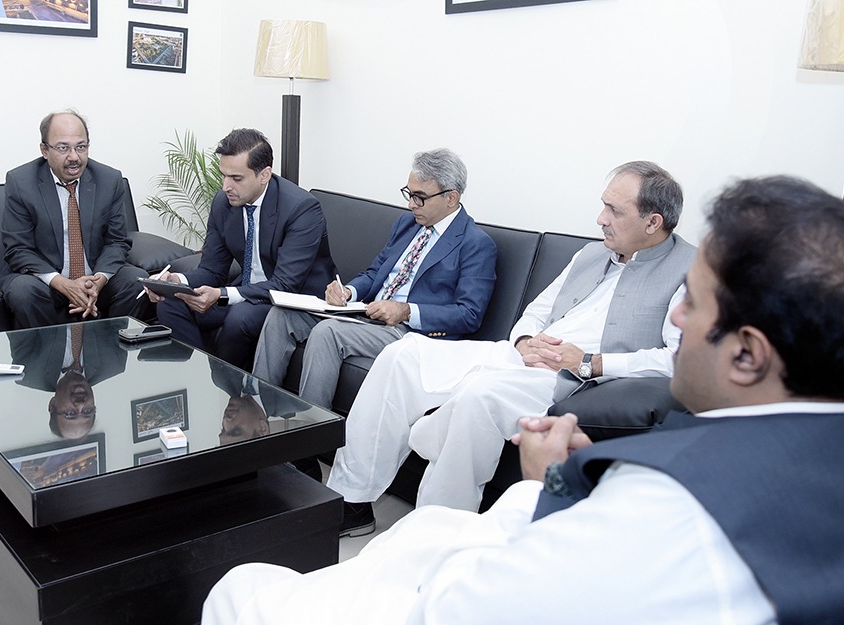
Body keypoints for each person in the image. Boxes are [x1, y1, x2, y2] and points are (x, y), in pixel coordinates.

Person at [196, 175, 844, 625]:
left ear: (746, 354)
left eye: (694, 306)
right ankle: (367, 497)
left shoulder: (672, 511)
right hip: (529, 425)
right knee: (413, 539)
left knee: (242, 591)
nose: (678, 320)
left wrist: (540, 494)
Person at [328, 161, 694, 534]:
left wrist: (590, 362)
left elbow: (679, 360)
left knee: (479, 396)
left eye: (614, 211)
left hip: (568, 380)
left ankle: (436, 532)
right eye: (603, 205)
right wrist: (523, 341)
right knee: (402, 355)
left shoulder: (689, 272)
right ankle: (352, 499)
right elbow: (536, 310)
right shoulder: (590, 254)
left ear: (653, 222)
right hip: (521, 355)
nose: (601, 219)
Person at [251, 148, 497, 413]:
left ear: (451, 197)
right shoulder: (407, 224)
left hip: (410, 334)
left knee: (328, 333)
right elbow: (375, 272)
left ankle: (312, 432)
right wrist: (348, 292)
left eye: (420, 198)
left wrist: (406, 311)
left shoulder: (475, 244)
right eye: (409, 194)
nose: (411, 204)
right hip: (365, 314)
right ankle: (257, 414)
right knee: (281, 316)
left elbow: (469, 314)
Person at [146, 128, 336, 370]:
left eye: (236, 178)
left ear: (264, 175)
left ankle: (226, 382)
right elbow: (212, 270)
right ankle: (196, 375)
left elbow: (285, 284)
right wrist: (176, 281)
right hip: (246, 292)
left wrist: (222, 295)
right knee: (170, 303)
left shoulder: (301, 209)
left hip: (293, 301)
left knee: (241, 317)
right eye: (223, 176)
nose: (226, 186)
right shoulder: (223, 203)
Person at [0, 109, 149, 328]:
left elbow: (117, 241)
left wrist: (98, 280)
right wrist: (63, 284)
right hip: (47, 281)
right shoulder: (21, 182)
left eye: (81, 147)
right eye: (63, 148)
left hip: (94, 278)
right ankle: (48, 350)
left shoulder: (109, 180)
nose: (74, 157)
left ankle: (111, 347)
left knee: (136, 281)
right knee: (23, 291)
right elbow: (18, 249)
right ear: (44, 150)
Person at [8, 325, 127, 439]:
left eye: (70, 413)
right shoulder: (114, 362)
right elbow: (120, 311)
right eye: (87, 411)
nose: (80, 405)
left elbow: (22, 313)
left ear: (52, 405)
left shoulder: (27, 370)